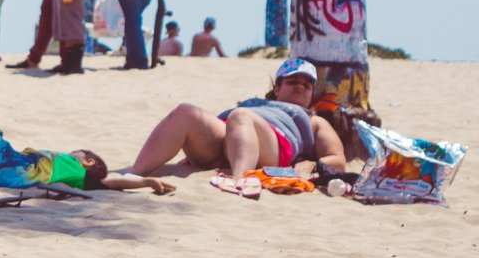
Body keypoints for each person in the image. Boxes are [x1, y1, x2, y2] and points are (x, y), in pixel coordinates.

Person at [126, 58, 348, 191]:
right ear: (277, 88)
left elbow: (337, 159)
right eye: (292, 82)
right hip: (231, 134)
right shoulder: (258, 104)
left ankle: (240, 179)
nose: (300, 87)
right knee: (186, 112)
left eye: (307, 85)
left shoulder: (313, 120)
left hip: (273, 143)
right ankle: (133, 174)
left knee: (241, 116)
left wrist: (312, 165)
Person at [0, 124, 176, 194]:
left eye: (77, 151)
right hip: (15, 161)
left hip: (23, 169)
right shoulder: (72, 167)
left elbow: (116, 180)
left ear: (88, 162)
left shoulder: (80, 174)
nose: (71, 152)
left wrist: (146, 182)